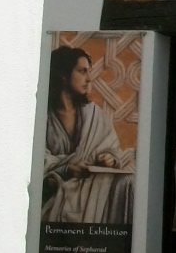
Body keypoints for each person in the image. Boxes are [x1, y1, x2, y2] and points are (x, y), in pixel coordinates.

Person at [43, 45, 134, 225]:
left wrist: (109, 158)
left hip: (94, 186)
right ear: (63, 75)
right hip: (56, 187)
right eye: (82, 71)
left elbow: (112, 150)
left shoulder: (94, 115)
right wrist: (67, 169)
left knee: (129, 182)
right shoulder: (44, 116)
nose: (89, 78)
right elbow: (36, 160)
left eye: (88, 71)